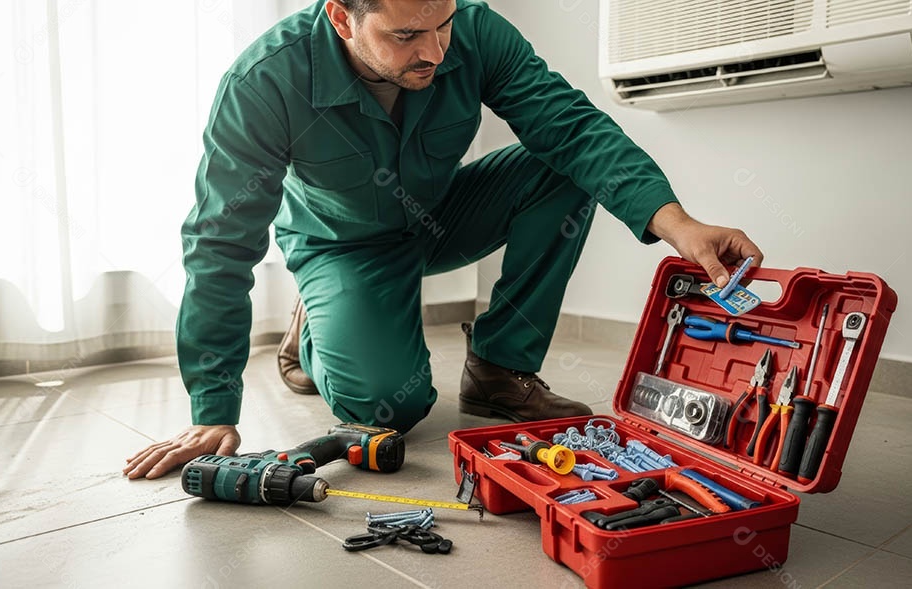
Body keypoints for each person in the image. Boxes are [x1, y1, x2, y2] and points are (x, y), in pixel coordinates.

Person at [124, 0, 762, 480]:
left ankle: (500, 367)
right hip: (342, 247)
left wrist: (677, 224)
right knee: (385, 408)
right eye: (405, 35)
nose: (434, 51)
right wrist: (214, 407)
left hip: (437, 215)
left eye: (443, 24)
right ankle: (316, 323)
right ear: (343, 18)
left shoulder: (476, 31)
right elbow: (220, 244)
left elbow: (570, 126)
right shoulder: (264, 81)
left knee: (561, 165)